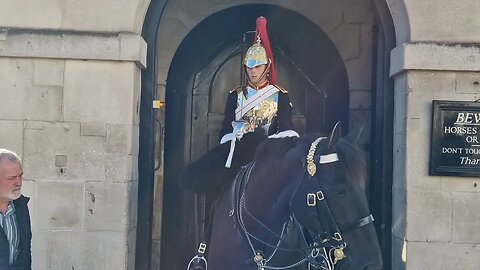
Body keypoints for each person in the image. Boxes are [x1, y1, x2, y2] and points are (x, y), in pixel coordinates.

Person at [0, 149, 32, 270]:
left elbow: (25, 255)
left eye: (20, 176)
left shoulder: (21, 207)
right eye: (11, 178)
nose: (18, 183)